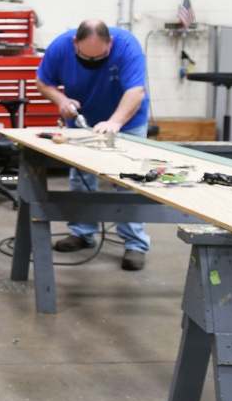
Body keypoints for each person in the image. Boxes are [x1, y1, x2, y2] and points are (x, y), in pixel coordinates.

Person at [35, 19, 150, 270]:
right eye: (86, 59)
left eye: (99, 58)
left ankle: (134, 244)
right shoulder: (59, 47)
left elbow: (136, 91)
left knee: (129, 180)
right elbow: (43, 81)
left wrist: (115, 122)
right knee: (81, 178)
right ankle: (82, 233)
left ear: (110, 43)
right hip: (84, 121)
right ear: (75, 43)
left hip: (126, 121)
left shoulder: (128, 46)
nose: (93, 64)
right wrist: (61, 100)